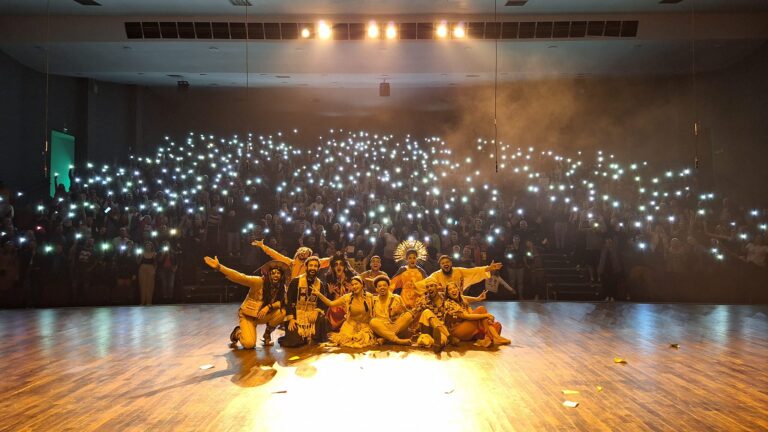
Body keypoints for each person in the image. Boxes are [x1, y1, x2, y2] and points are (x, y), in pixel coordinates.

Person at [204, 256, 288, 348]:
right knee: (249, 344)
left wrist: (269, 307)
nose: (276, 275)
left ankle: (267, 334)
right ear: (268, 275)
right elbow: (240, 277)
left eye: (278, 273)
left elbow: (283, 302)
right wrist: (219, 267)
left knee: (283, 311)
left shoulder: (281, 288)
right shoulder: (259, 282)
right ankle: (238, 333)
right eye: (273, 273)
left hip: (262, 315)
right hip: (248, 315)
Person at [312, 275, 377, 348]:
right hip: (350, 326)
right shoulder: (347, 297)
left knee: (362, 340)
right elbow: (331, 303)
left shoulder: (369, 297)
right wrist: (319, 294)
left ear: (362, 285)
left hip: (364, 327)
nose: (354, 286)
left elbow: (381, 298)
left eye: (356, 284)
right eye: (352, 285)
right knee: (345, 341)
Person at [279, 256, 330, 347]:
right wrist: (291, 319)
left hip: (312, 318)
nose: (313, 268)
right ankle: (301, 337)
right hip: (296, 316)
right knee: (294, 343)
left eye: (315, 266)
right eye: (311, 265)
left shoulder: (320, 284)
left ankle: (312, 336)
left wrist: (316, 311)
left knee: (320, 328)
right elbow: (288, 301)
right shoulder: (295, 281)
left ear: (318, 268)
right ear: (306, 267)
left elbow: (322, 303)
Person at [443, 282, 510, 347]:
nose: (453, 290)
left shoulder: (462, 299)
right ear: (448, 294)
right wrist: (487, 315)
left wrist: (485, 319)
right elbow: (467, 316)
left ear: (458, 289)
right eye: (450, 289)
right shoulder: (449, 303)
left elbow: (471, 313)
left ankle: (486, 340)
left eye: (454, 288)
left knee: (497, 325)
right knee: (481, 310)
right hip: (457, 331)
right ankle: (495, 337)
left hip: (468, 328)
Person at [369, 275, 415, 345]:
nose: (382, 288)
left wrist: (398, 312)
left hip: (395, 325)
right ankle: (397, 340)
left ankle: (385, 339)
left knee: (409, 315)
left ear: (388, 287)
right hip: (381, 328)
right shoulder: (373, 300)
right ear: (376, 289)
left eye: (384, 285)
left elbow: (406, 312)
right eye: (379, 286)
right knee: (373, 322)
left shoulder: (397, 298)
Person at [251, 240, 330, 280]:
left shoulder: (310, 265)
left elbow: (327, 261)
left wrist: (338, 256)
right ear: (298, 252)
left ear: (309, 256)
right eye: (302, 251)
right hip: (289, 289)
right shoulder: (290, 263)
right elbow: (275, 254)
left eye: (306, 253)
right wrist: (262, 246)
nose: (303, 253)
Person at [424, 255, 503, 294]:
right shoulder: (436, 275)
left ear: (451, 263)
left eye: (447, 262)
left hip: (459, 300)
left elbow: (474, 271)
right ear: (440, 265)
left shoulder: (458, 271)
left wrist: (489, 268)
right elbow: (426, 282)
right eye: (443, 263)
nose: (445, 264)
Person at [324, 252, 357, 331]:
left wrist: (353, 291)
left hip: (350, 306)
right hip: (335, 306)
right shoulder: (330, 278)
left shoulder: (352, 277)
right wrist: (330, 293)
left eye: (341, 264)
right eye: (336, 264)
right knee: (333, 309)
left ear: (345, 266)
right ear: (333, 267)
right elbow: (328, 300)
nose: (338, 266)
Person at [137, 241, 157, 305]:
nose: (148, 246)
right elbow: (138, 262)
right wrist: (139, 256)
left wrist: (154, 270)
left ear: (151, 246)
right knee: (142, 286)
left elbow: (155, 263)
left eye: (149, 245)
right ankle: (142, 302)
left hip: (151, 269)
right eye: (147, 245)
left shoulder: (154, 253)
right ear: (145, 247)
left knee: (150, 286)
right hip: (142, 269)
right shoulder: (142, 253)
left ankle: (149, 302)